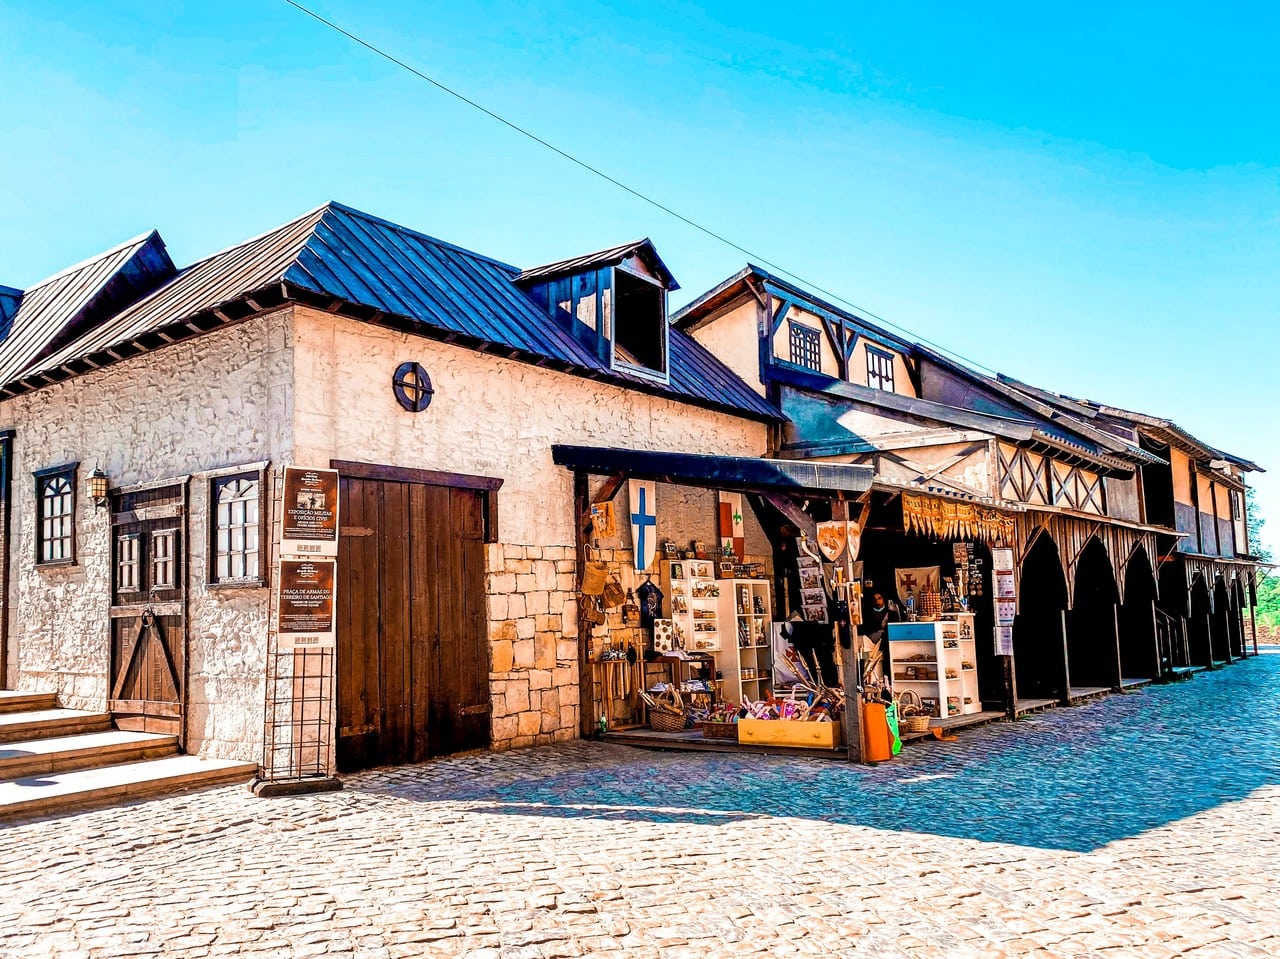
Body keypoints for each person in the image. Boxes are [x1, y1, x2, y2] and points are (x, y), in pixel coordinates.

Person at [859, 591, 900, 660]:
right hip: (871, 639)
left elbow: (894, 628)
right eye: (875, 599)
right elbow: (865, 628)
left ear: (883, 599)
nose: (877, 601)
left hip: (886, 640)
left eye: (879, 598)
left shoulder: (891, 613)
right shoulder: (867, 613)